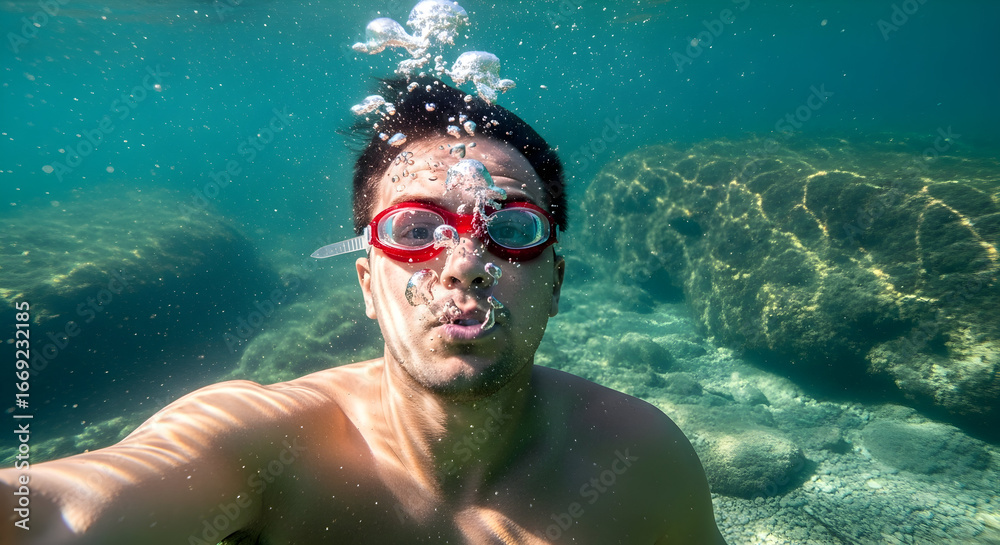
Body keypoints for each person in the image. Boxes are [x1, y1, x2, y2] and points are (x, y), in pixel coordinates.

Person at [1, 77, 726, 544]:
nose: (464, 263)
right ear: (367, 283)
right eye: (415, 232)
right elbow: (58, 514)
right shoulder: (267, 447)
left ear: (557, 281)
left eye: (511, 230)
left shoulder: (642, 461)